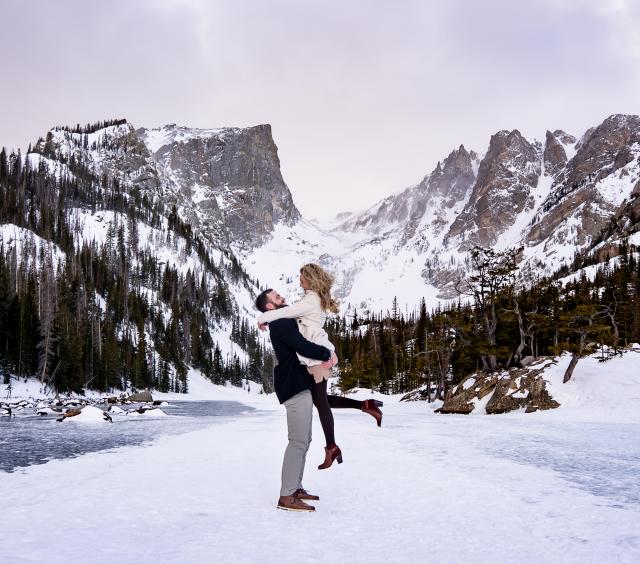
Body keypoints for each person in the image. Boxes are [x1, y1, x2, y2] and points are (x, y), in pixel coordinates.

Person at [257, 264, 383, 471]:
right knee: (320, 400)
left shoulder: (311, 300)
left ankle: (332, 447)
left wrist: (262, 318)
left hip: (317, 357)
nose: (299, 282)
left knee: (321, 402)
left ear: (310, 279)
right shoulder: (311, 299)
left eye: (302, 279)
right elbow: (290, 315)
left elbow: (289, 312)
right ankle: (365, 406)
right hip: (315, 356)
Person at [255, 288, 335, 512]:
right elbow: (301, 345)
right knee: (298, 440)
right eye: (277, 297)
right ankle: (287, 496)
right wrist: (326, 353)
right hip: (293, 385)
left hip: (299, 384)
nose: (283, 298)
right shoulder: (281, 323)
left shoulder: (281, 319)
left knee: (305, 439)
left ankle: (295, 487)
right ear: (270, 306)